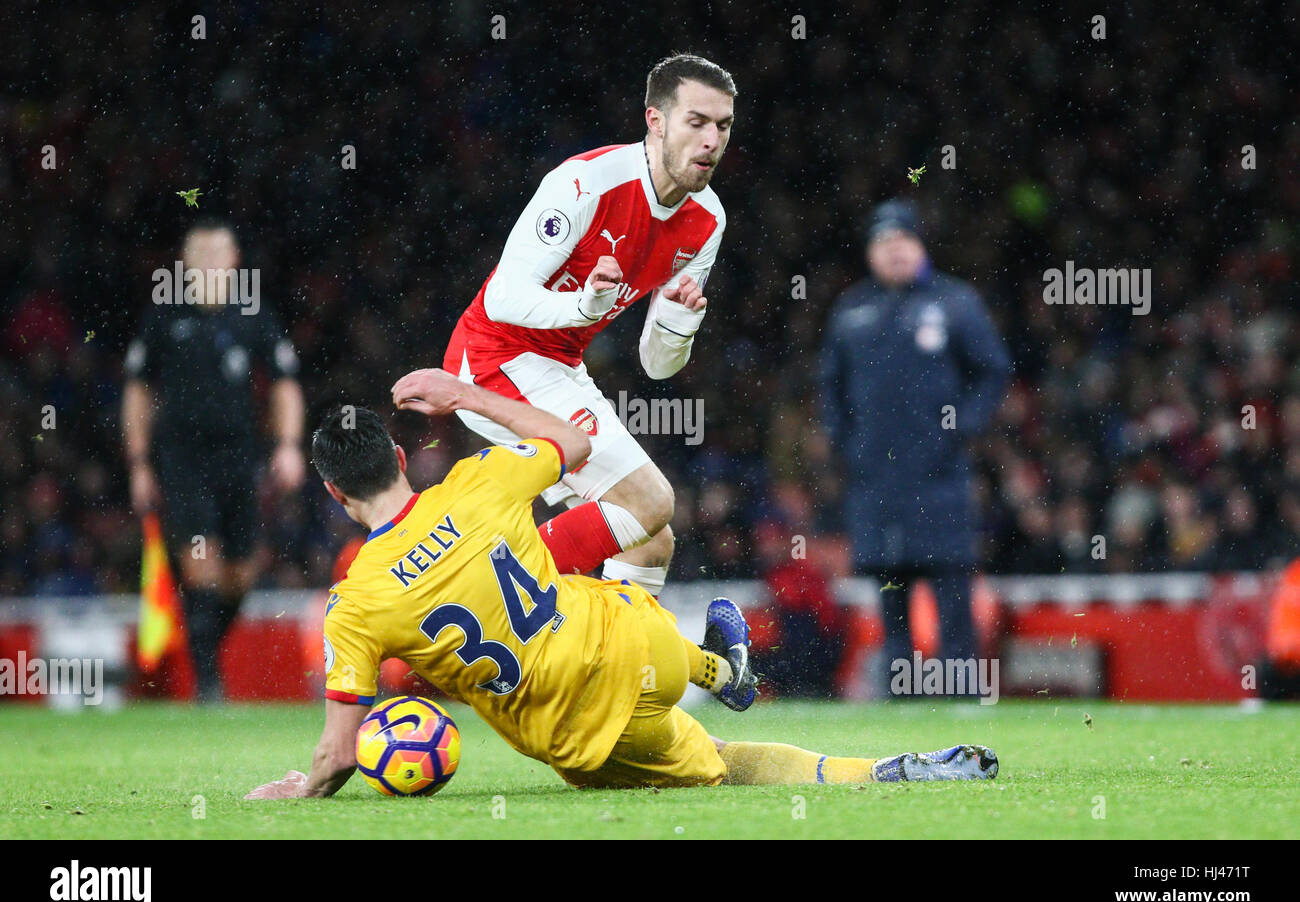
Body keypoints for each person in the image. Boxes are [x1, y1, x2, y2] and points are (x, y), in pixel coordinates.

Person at [245, 370, 998, 797]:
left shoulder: (356, 600)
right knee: (641, 536)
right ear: (404, 460)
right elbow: (572, 441)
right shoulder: (479, 479)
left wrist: (298, 791)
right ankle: (717, 666)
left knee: (725, 766)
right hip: (640, 638)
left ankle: (887, 772)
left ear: (336, 497)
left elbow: (339, 754)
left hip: (583, 729)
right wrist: (469, 399)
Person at [440, 53, 732, 598]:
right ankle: (478, 593)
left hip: (558, 368)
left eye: (722, 126)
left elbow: (656, 365)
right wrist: (584, 307)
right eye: (697, 123)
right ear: (656, 121)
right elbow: (503, 298)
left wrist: (678, 324)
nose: (711, 139)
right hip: (493, 359)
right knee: (650, 502)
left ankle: (616, 677)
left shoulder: (707, 220)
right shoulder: (585, 184)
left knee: (649, 542)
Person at [819, 199, 1010, 697]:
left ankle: (963, 692)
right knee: (889, 587)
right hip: (876, 479)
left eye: (903, 241)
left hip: (939, 475)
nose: (894, 251)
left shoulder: (954, 302)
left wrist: (959, 429)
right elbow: (829, 386)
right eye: (883, 243)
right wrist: (848, 443)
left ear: (920, 245)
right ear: (870, 254)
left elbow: (993, 369)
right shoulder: (851, 310)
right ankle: (901, 694)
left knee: (951, 582)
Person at [122, 218, 306, 701]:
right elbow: (138, 392)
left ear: (233, 261)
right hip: (181, 459)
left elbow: (286, 383)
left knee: (243, 570)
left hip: (240, 456)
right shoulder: (164, 316)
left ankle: (204, 649)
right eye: (197, 255)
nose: (207, 264)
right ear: (184, 265)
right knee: (201, 559)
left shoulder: (254, 315)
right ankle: (207, 683)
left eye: (216, 254)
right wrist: (140, 463)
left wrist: (288, 446)